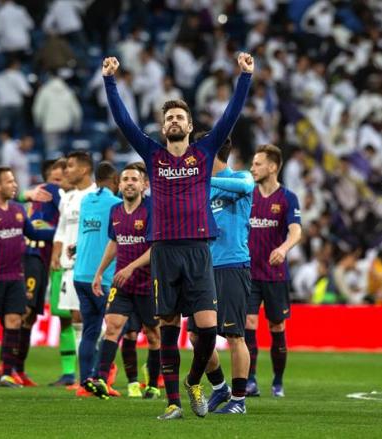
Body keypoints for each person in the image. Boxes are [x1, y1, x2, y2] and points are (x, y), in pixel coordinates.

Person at [102, 51, 253, 419]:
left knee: (207, 328)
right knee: (168, 325)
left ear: (188, 126)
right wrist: (109, 81)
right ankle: (173, 403)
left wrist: (245, 77)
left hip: (199, 250)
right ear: (163, 126)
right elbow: (123, 121)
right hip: (164, 251)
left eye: (179, 117)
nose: (173, 121)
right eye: (168, 117)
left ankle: (193, 381)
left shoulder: (204, 151)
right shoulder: (152, 155)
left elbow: (230, 115)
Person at [0, 167, 54, 388]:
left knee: (14, 321)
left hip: (15, 277)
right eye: (10, 182)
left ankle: (6, 373)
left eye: (14, 181)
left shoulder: (18, 210)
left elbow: (34, 233)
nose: (15, 185)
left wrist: (62, 231)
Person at [188, 137, 254, 414]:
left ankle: (239, 400)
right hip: (203, 268)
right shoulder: (199, 187)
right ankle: (220, 388)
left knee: (234, 336)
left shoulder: (240, 177)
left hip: (232, 265)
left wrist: (204, 181)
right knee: (195, 336)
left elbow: (247, 186)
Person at [87, 163, 160, 400]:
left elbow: (156, 249)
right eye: (126, 179)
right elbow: (114, 243)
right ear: (119, 185)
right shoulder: (116, 211)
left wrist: (131, 267)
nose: (129, 183)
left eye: (134, 179)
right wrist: (99, 272)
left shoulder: (152, 210)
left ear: (144, 185)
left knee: (153, 335)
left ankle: (153, 385)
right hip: (123, 283)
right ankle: (100, 378)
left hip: (149, 284)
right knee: (113, 328)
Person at [246, 144, 302, 397]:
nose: (252, 168)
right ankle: (250, 379)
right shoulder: (248, 195)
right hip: (248, 273)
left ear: (272, 167)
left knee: (276, 326)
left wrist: (284, 248)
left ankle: (278, 381)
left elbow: (296, 230)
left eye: (257, 164)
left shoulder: (288, 198)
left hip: (275, 274)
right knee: (248, 322)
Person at [71, 162, 121, 394]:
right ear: (115, 182)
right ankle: (100, 378)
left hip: (80, 274)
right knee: (118, 325)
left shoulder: (85, 200)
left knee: (90, 329)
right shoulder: (116, 204)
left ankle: (84, 383)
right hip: (103, 277)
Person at [14, 159, 65, 386]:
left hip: (43, 260)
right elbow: (37, 228)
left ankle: (18, 368)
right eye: (56, 174)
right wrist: (59, 234)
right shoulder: (51, 191)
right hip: (33, 256)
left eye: (64, 173)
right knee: (24, 311)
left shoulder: (48, 194)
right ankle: (8, 366)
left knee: (31, 315)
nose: (60, 178)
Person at [49, 151, 97, 387]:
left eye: (70, 166)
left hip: (90, 267)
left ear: (84, 169)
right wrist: (55, 253)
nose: (65, 171)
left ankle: (95, 371)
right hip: (68, 268)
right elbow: (60, 228)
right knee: (76, 318)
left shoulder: (98, 196)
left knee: (91, 319)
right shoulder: (67, 198)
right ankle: (84, 375)